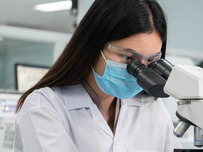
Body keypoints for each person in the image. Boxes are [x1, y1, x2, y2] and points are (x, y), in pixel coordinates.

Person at [14, 0, 182, 151]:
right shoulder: (45, 106)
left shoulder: (151, 107)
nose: (140, 70)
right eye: (128, 58)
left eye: (151, 60)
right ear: (93, 47)